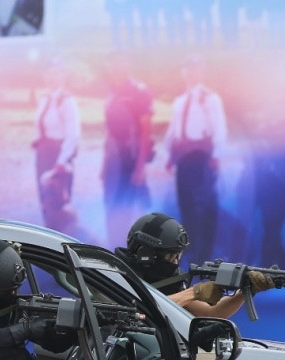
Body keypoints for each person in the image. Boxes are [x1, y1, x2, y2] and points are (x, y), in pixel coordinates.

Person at [116, 212, 274, 319]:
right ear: (146, 253)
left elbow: (213, 313)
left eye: (179, 255)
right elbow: (140, 310)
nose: (176, 262)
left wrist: (245, 289)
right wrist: (195, 293)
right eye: (170, 255)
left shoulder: (172, 282)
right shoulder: (113, 276)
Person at [160, 56, 227, 265]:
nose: (190, 73)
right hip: (183, 157)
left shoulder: (210, 98)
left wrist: (216, 156)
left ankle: (205, 252)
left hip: (202, 156)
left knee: (205, 205)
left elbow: (219, 128)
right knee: (186, 203)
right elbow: (174, 129)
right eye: (187, 69)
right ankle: (191, 247)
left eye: (195, 69)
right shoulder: (180, 100)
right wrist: (169, 154)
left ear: (202, 72)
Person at [101, 58, 154, 247]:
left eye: (120, 61)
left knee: (128, 209)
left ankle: (128, 254)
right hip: (113, 160)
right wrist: (104, 164)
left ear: (128, 64)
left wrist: (140, 167)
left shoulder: (139, 91)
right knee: (111, 206)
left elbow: (146, 131)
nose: (116, 67)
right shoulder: (112, 92)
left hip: (130, 159)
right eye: (112, 63)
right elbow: (109, 131)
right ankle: (113, 249)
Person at [33, 62, 80, 231]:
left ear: (63, 76)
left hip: (58, 154)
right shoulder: (44, 98)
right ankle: (48, 233)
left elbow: (73, 134)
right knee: (44, 199)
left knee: (57, 200)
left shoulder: (66, 100)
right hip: (43, 153)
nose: (51, 78)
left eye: (56, 73)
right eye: (48, 73)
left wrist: (61, 161)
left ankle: (60, 242)